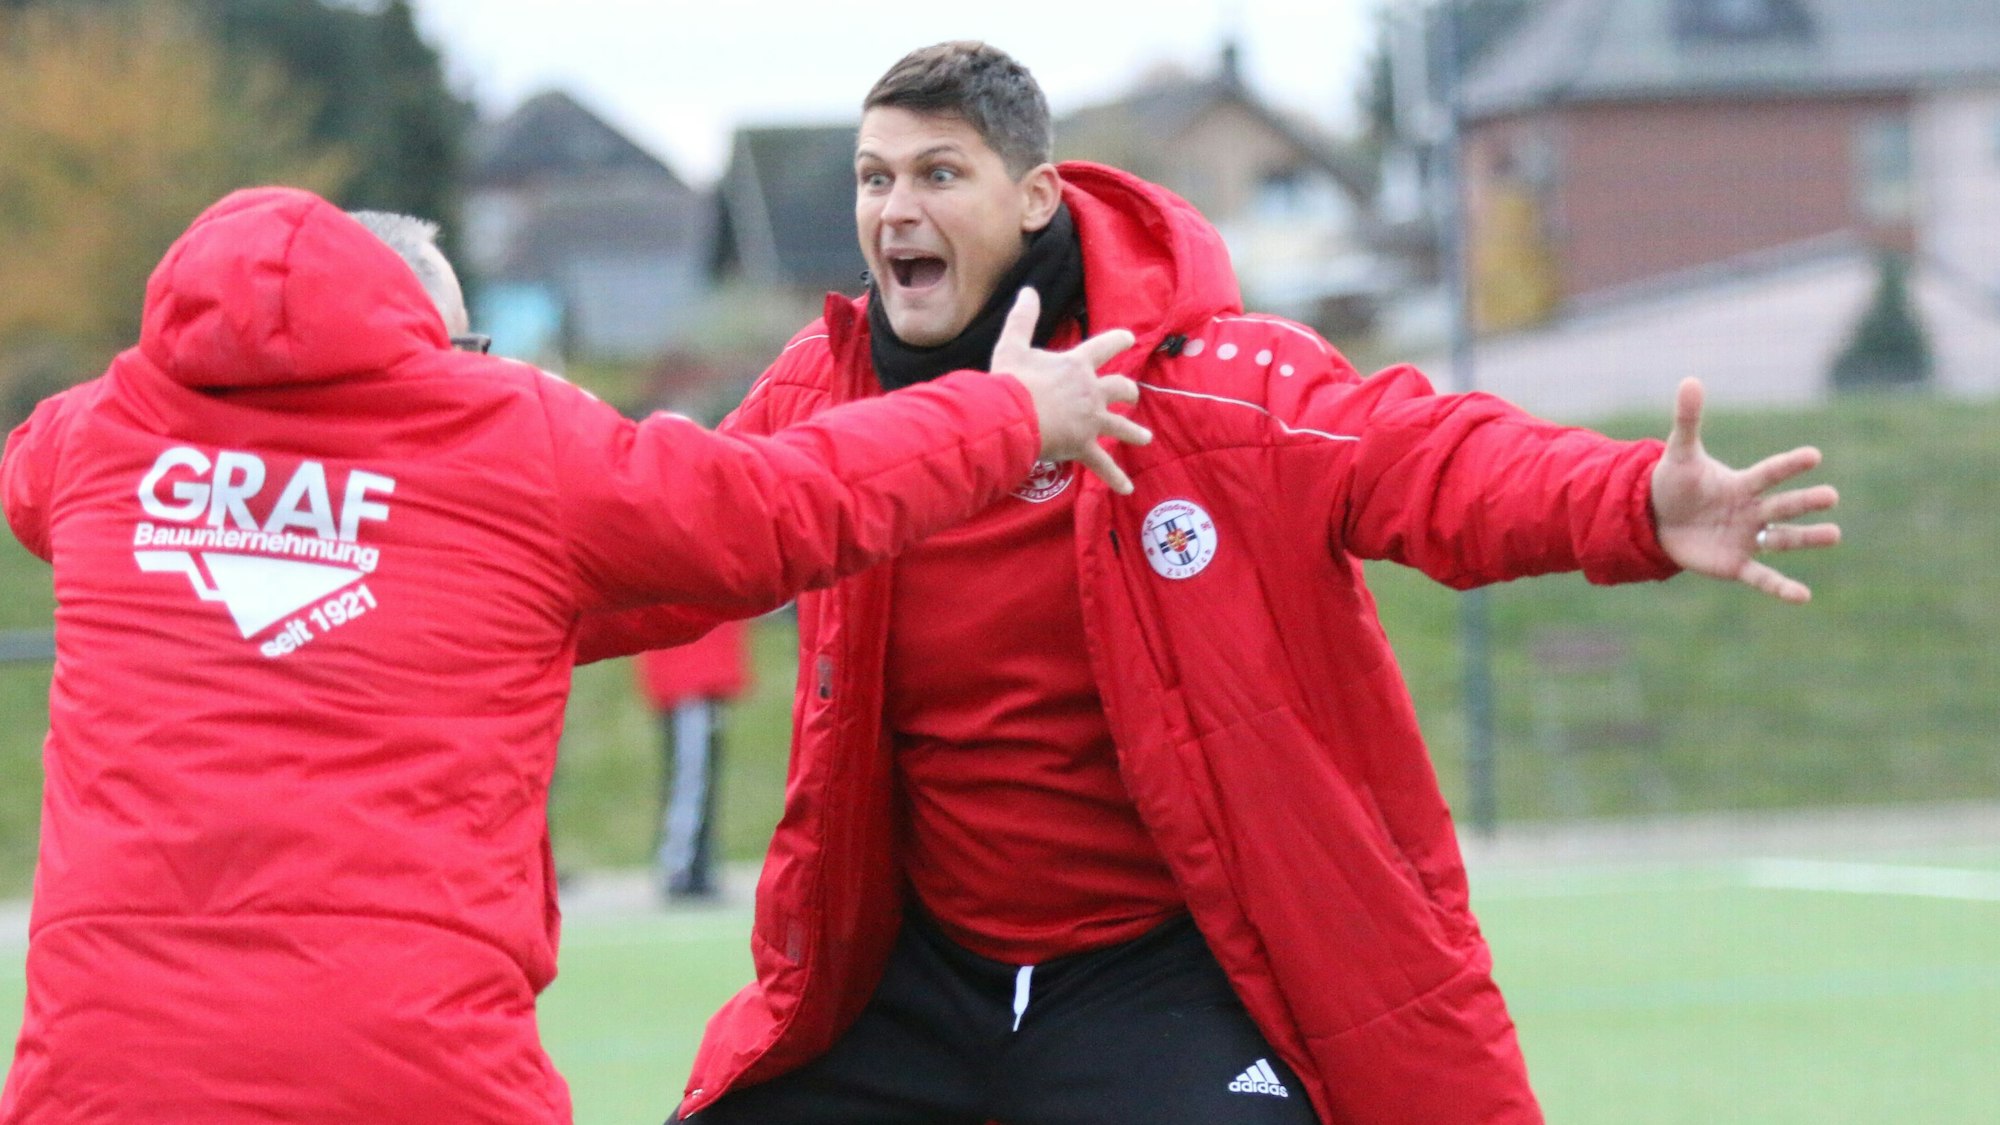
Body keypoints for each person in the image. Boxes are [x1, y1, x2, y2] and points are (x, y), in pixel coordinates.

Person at [580, 42, 1842, 1125]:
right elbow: (673, 544)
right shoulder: (822, 390)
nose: (892, 209)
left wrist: (1630, 501)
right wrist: (456, 585)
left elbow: (1427, 459)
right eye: (873, 178)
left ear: (1032, 199)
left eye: (935, 175)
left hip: (1148, 973)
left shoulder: (1214, 380)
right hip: (914, 967)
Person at [0, 185, 1150, 1123]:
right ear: (417, 333)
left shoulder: (96, 438)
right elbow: (775, 504)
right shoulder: (509, 440)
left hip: (98, 1078)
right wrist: (1004, 418)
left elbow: (34, 487)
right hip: (413, 1073)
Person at [635, 618, 754, 899]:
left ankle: (695, 865)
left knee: (697, 773)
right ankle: (681, 866)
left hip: (696, 673)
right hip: (689, 675)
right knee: (691, 774)